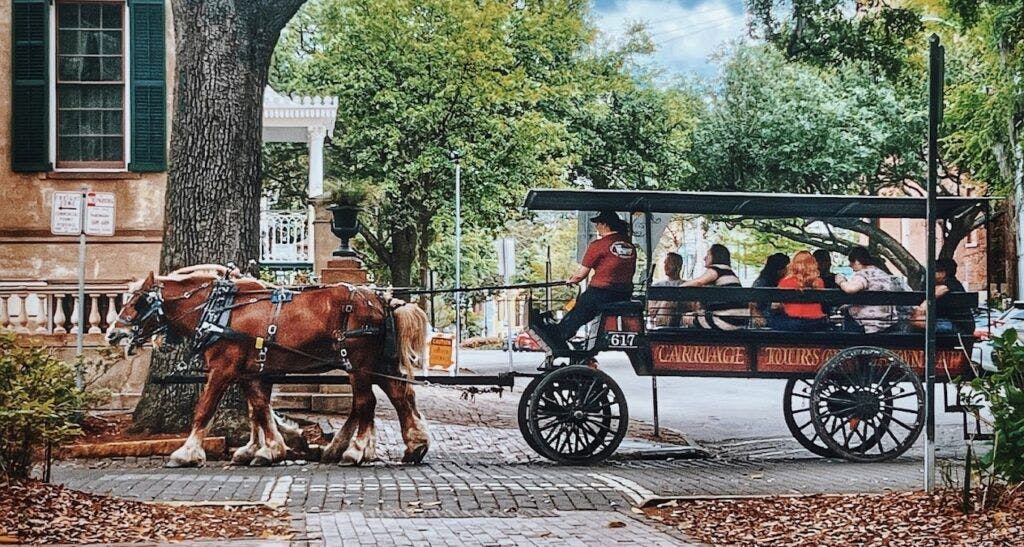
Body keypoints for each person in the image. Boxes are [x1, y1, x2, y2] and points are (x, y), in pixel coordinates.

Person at [557, 211, 637, 344]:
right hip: (624, 294)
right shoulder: (629, 245)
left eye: (598, 223)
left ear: (605, 225)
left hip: (601, 292)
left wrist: (571, 280)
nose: (596, 227)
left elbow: (580, 275)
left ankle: (560, 336)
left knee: (578, 313)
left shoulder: (598, 245)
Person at [836, 246, 906, 333]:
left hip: (868, 324)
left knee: (845, 314)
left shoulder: (863, 274)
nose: (850, 266)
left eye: (851, 263)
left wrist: (841, 281)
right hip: (888, 322)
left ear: (857, 262)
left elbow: (850, 289)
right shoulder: (882, 273)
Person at [681, 244, 748, 330]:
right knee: (698, 315)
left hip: (725, 321)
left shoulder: (717, 269)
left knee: (686, 318)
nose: (704, 258)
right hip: (739, 322)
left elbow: (699, 281)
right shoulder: (729, 272)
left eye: (708, 254)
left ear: (715, 256)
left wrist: (678, 288)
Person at [910, 258, 975, 334]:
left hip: (958, 325)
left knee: (917, 322)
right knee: (916, 320)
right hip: (947, 321)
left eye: (933, 271)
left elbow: (940, 290)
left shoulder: (952, 283)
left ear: (943, 273)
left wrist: (924, 305)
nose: (929, 274)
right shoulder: (937, 284)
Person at [769, 251, 828, 331]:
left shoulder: (786, 281)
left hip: (793, 322)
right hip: (817, 322)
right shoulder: (819, 282)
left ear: (794, 264)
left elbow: (775, 305)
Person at [648, 252, 685, 327]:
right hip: (660, 322)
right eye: (665, 263)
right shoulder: (657, 286)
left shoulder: (686, 285)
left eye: (670, 263)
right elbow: (652, 311)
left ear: (678, 266)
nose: (666, 266)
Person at [751, 253, 791, 319]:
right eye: (787, 268)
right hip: (767, 317)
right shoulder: (762, 283)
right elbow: (754, 305)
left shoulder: (762, 281)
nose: (788, 271)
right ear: (779, 269)